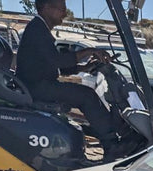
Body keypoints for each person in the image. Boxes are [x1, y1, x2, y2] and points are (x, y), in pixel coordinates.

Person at [16, 0, 127, 159]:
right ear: (47, 7)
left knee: (85, 95)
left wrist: (84, 68)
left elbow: (53, 65)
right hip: (37, 87)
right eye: (62, 9)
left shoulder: (38, 28)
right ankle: (112, 144)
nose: (65, 14)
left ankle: (109, 137)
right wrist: (89, 51)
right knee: (87, 96)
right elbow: (57, 61)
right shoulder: (37, 29)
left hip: (39, 84)